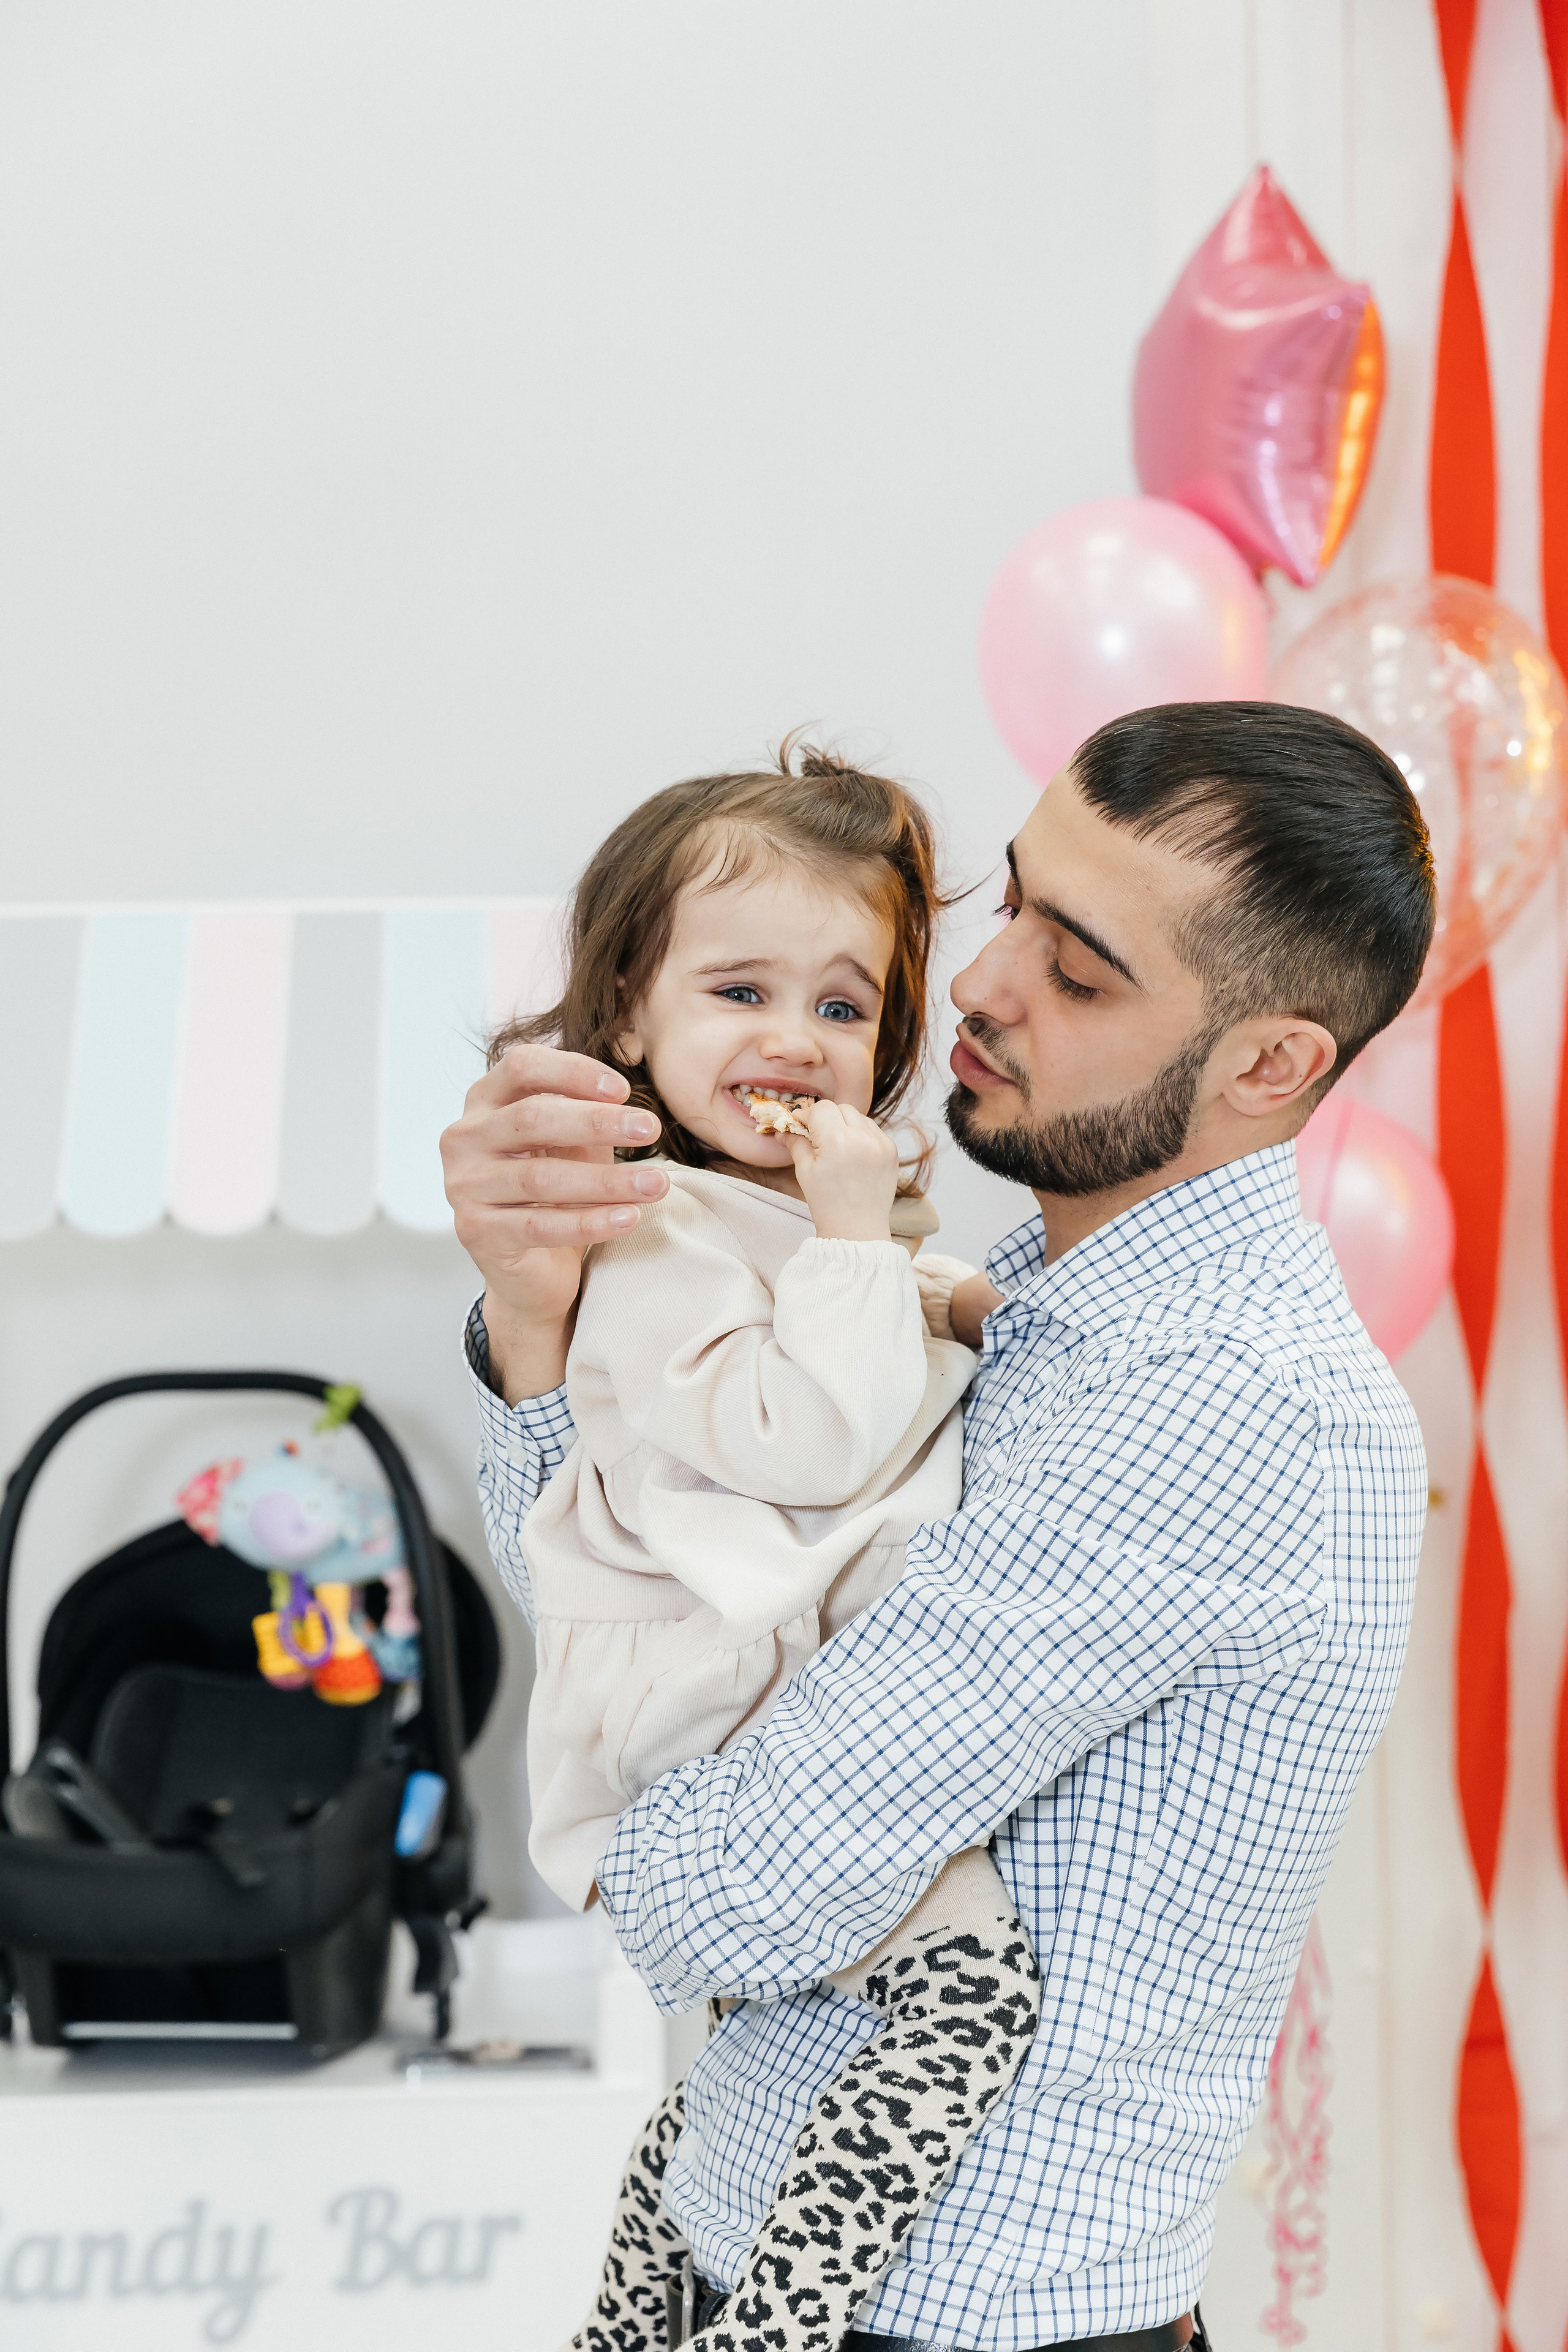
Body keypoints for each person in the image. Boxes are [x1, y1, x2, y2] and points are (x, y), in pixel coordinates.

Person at [442, 701, 1436, 2352]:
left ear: (1270, 1065)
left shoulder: (1221, 1401)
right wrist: (538, 1316)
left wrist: (622, 1818)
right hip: (734, 2254)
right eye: (1015, 909)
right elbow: (644, 1589)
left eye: (1083, 966)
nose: (972, 987)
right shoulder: (1027, 1308)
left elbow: (724, 1902)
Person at [495, 744, 1040, 2352]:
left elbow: (864, 1330)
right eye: (740, 990)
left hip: (759, 1678)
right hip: (711, 1702)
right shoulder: (654, 1231)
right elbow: (812, 1431)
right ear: (623, 1020)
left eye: (842, 1005)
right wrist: (877, 1247)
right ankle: (782, 2323)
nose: (796, 1045)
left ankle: (635, 2313)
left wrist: (935, 1284)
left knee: (755, 2053)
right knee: (967, 1996)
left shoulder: (773, 1206)